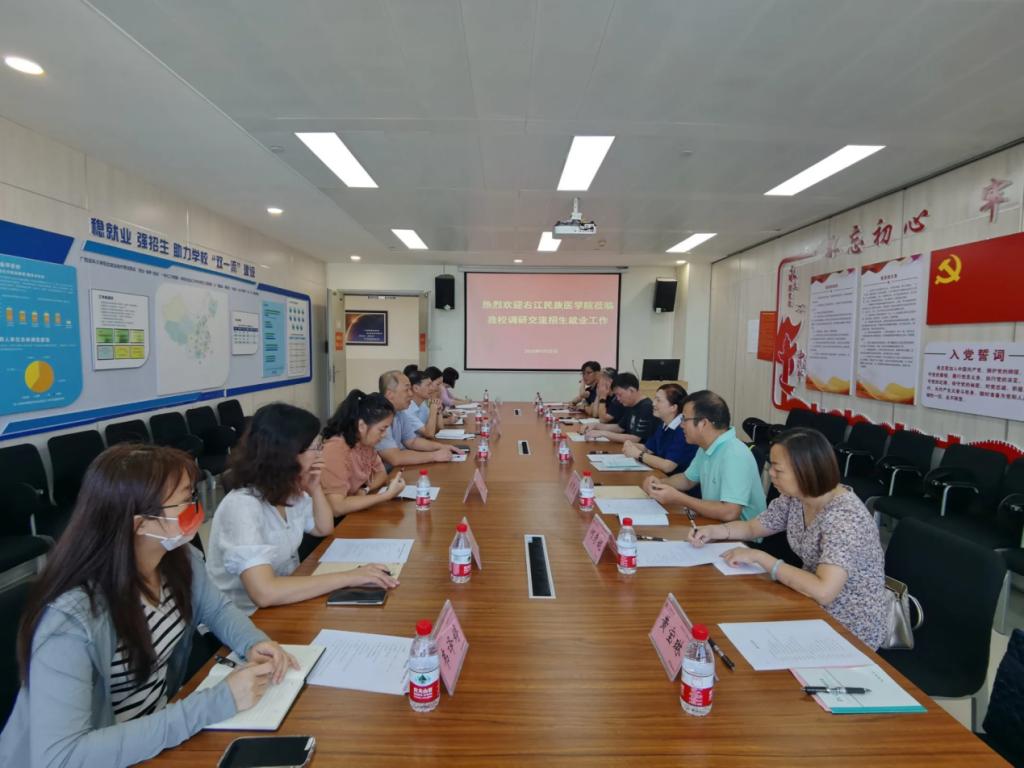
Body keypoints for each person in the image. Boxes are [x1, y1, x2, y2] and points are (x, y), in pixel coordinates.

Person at [0, 443, 298, 767]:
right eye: (185, 501)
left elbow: (217, 609)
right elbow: (62, 757)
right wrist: (215, 702)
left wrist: (252, 642)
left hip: (155, 737)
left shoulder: (177, 559)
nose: (195, 508)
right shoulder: (71, 621)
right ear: (140, 523)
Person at [688, 428, 887, 649]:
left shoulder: (844, 517)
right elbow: (753, 527)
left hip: (847, 627)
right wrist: (714, 531)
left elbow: (824, 591)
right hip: (807, 603)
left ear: (806, 470)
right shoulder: (796, 498)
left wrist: (761, 558)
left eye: (778, 469)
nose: (771, 473)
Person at [206, 403, 399, 616]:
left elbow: (323, 528)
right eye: (314, 448)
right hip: (245, 617)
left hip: (286, 599)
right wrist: (350, 576)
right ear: (287, 454)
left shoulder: (288, 490)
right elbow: (264, 593)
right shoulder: (242, 506)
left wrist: (315, 488)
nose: (320, 456)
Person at [643, 390, 766, 522]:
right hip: (715, 524)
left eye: (684, 419)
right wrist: (659, 484)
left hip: (740, 532)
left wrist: (679, 498)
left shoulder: (734, 453)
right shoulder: (705, 446)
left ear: (703, 423)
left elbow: (730, 512)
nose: (681, 425)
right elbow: (687, 480)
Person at [321, 390, 407, 517]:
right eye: (382, 429)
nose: (384, 435)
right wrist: (386, 496)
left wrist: (365, 489)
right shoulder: (336, 448)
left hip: (352, 511)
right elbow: (336, 507)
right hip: (336, 521)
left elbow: (381, 474)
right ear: (361, 425)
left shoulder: (365, 443)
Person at [376, 370, 462, 468]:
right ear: (390, 394)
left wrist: (442, 447)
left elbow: (412, 441)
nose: (411, 394)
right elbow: (395, 458)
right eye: (406, 390)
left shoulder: (400, 412)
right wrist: (434, 456)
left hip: (398, 467)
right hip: (388, 472)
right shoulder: (379, 417)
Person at [622, 383, 697, 475]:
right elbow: (648, 449)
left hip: (677, 481)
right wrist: (631, 445)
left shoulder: (682, 429)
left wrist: (638, 454)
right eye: (654, 399)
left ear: (673, 407)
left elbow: (668, 466)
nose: (653, 403)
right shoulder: (663, 424)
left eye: (658, 400)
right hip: (661, 476)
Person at [582, 372, 655, 443]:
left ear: (631, 390)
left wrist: (603, 433)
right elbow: (620, 427)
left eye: (619, 395)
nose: (618, 399)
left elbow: (635, 439)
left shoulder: (646, 407)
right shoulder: (631, 404)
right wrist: (595, 426)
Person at [407, 370, 442, 438]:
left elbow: (439, 428)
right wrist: (433, 409)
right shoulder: (408, 409)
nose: (432, 388)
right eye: (428, 385)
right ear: (416, 388)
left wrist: (438, 412)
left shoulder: (422, 404)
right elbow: (429, 434)